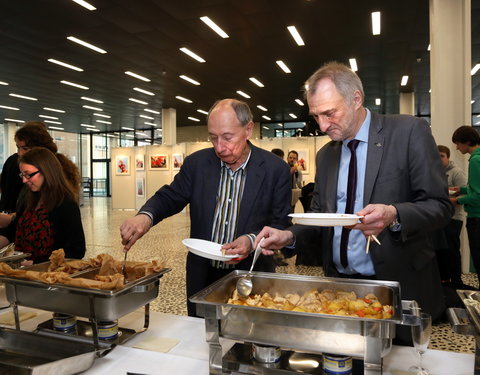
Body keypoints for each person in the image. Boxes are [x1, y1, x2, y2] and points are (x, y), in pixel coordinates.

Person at [254, 62, 452, 330]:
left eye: (329, 113)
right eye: (316, 116)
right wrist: (289, 236)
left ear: (356, 99)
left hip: (398, 285)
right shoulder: (326, 155)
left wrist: (394, 214)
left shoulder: (408, 132)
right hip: (340, 289)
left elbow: (439, 206)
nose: (322, 126)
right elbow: (319, 217)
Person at [120, 98, 291, 316]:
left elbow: (280, 224)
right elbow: (171, 196)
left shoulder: (275, 169)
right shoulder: (197, 164)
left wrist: (250, 240)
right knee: (200, 338)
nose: (220, 147)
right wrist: (145, 216)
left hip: (251, 276)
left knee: (248, 337)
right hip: (203, 275)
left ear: (248, 129)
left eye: (228, 138)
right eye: (213, 138)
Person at [0, 147, 86, 264]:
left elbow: (77, 250)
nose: (24, 180)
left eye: (28, 174)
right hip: (24, 272)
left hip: (49, 275)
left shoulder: (66, 204)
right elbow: (13, 231)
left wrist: (37, 263)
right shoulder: (27, 198)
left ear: (46, 172)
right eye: (22, 175)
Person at [0, 122, 81, 228]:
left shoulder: (64, 198)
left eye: (25, 148)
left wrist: (14, 218)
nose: (19, 153)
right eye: (18, 147)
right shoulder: (17, 165)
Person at [451, 126, 480, 287]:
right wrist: (461, 189)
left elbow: (477, 196)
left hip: (477, 218)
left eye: (458, 144)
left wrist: (457, 200)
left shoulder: (475, 160)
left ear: (467, 141)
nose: (457, 148)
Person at [437, 145, 467, 284]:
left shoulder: (456, 172)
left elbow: (465, 194)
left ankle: (456, 281)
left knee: (452, 251)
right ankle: (444, 281)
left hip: (454, 218)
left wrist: (449, 198)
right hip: (439, 219)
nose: (439, 158)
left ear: (448, 157)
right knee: (441, 251)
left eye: (442, 155)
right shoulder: (433, 172)